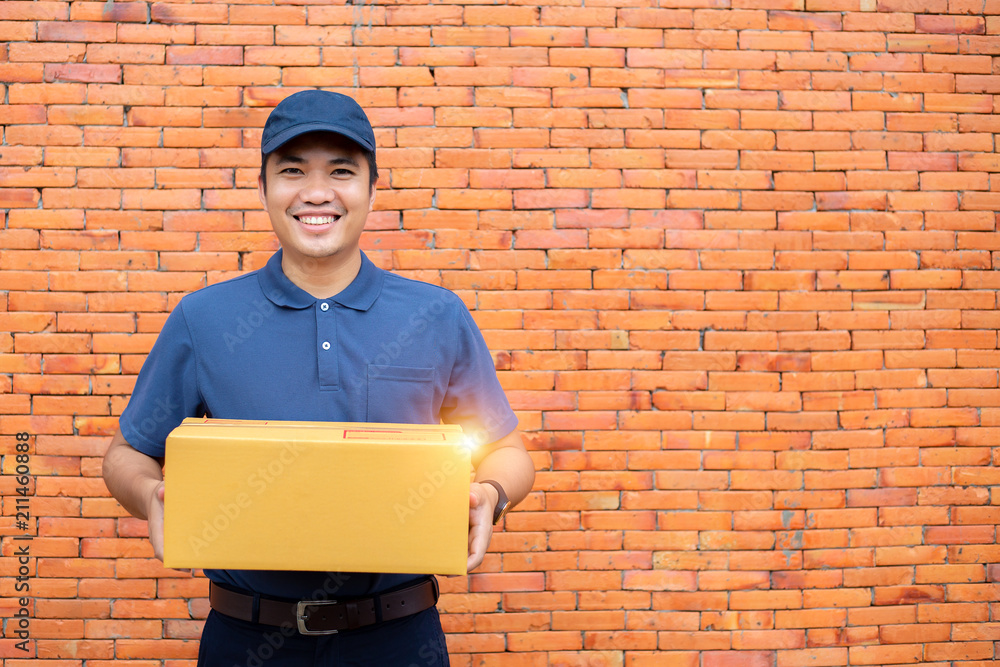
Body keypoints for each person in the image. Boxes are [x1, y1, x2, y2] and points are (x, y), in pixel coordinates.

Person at [102, 89, 535, 666]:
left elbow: (508, 449)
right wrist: (151, 494)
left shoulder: (436, 315)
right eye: (291, 171)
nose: (316, 192)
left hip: (399, 639)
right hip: (246, 638)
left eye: (341, 171)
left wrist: (491, 493)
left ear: (371, 189)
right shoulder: (205, 319)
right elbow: (127, 454)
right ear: (264, 190)